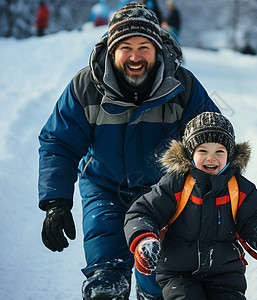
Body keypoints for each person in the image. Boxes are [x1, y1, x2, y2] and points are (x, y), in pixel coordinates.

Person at [38, 3, 219, 300]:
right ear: (112, 51)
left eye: (144, 47)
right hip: (104, 188)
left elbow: (211, 144)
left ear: (158, 50)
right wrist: (56, 201)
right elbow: (59, 142)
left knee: (159, 277)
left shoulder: (182, 88)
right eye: (126, 47)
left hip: (164, 196)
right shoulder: (86, 87)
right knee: (106, 278)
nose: (135, 56)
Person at [124, 112, 257, 299]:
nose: (211, 158)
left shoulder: (239, 188)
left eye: (219, 152)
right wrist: (144, 239)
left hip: (226, 275)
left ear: (230, 155)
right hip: (179, 273)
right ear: (190, 153)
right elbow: (143, 212)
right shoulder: (176, 184)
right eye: (203, 151)